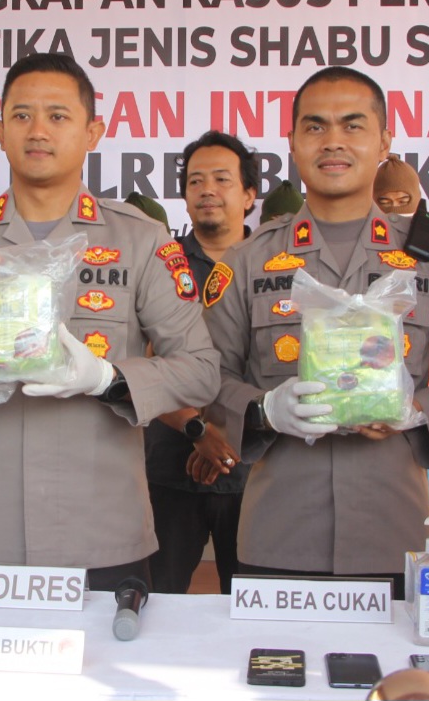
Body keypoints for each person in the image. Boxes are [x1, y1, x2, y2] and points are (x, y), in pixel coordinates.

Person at [0, 53, 219, 590]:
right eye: (22, 115)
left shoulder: (139, 239)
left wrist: (108, 378)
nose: (38, 130)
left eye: (58, 116)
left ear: (92, 132)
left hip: (101, 533)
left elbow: (200, 370)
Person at [203, 66, 429, 599]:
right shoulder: (249, 260)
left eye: (353, 125)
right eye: (315, 126)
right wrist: (264, 410)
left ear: (384, 142)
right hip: (278, 535)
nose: (333, 142)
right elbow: (206, 373)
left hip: (394, 531)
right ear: (292, 142)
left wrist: (419, 411)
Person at [146, 131, 256, 594]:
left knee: (253, 607)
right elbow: (143, 362)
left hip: (252, 470)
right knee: (158, 600)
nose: (207, 190)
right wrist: (197, 430)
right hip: (171, 466)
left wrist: (224, 434)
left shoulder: (277, 266)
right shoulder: (158, 264)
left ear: (248, 195)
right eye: (195, 181)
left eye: (222, 179)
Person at [371, 153, 429, 515]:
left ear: (418, 202)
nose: (394, 211)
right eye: (384, 201)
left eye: (404, 201)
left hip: (416, 416)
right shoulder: (353, 249)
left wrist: (422, 409)